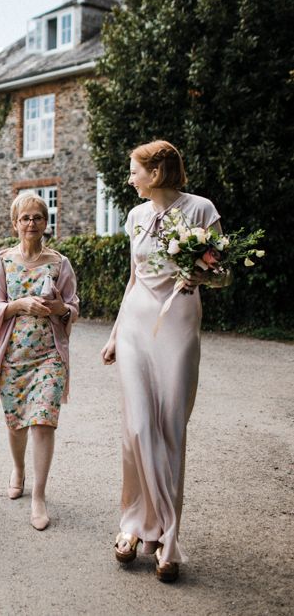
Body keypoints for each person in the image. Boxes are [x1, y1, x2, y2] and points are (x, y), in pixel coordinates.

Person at [101, 140, 230, 581]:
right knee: (136, 427)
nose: (129, 177)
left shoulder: (200, 210)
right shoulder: (136, 216)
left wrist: (202, 273)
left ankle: (167, 538)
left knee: (170, 428)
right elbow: (133, 278)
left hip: (177, 327)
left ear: (155, 173)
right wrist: (116, 333)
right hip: (136, 326)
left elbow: (224, 272)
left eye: (134, 170)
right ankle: (134, 524)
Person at [0, 193, 79, 531]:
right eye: (25, 218)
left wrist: (58, 309)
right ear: (15, 223)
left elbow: (72, 305)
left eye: (38, 217)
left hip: (48, 356)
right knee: (16, 423)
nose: (32, 223)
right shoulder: (2, 262)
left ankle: (39, 495)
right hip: (12, 356)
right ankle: (19, 469)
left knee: (43, 421)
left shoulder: (59, 263)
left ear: (46, 222)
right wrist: (21, 304)